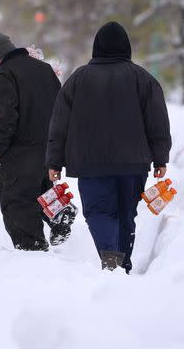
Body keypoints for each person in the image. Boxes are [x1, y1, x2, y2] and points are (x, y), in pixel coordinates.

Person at [46, 21, 171, 272]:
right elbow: (156, 120)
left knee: (99, 213)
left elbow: (59, 123)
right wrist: (160, 158)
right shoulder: (143, 79)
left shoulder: (78, 79)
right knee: (126, 214)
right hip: (132, 164)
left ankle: (111, 262)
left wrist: (54, 161)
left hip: (90, 163)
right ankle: (120, 263)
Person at [0, 31, 75, 251]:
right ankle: (60, 212)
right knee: (43, 189)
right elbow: (61, 109)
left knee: (18, 201)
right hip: (48, 148)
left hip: (19, 151)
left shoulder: (3, 76)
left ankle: (31, 249)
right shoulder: (44, 69)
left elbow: (4, 116)